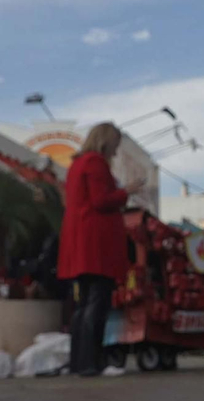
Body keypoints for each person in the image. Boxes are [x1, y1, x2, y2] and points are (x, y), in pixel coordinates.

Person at [57, 123, 141, 378]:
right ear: (107, 142)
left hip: (79, 243)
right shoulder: (96, 163)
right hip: (95, 244)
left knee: (84, 304)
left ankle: (79, 361)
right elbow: (101, 200)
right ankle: (92, 361)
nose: (116, 151)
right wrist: (126, 191)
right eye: (115, 144)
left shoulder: (77, 164)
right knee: (98, 302)